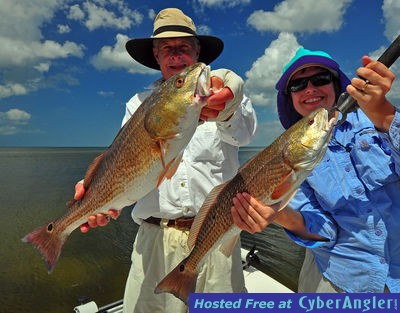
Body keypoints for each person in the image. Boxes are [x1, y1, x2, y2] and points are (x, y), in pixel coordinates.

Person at [74, 8, 257, 313]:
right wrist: (100, 197)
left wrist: (227, 104)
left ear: (198, 52)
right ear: (156, 57)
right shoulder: (136, 104)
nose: (176, 56)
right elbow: (123, 165)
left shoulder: (222, 92)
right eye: (167, 49)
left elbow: (245, 132)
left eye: (184, 47)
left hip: (217, 237)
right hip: (153, 241)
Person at [231, 48, 400, 293]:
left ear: (336, 85)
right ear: (290, 97)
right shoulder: (287, 156)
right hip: (340, 276)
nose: (310, 89)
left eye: (320, 79)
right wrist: (276, 213)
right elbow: (324, 230)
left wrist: (384, 114)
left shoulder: (378, 121)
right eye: (298, 85)